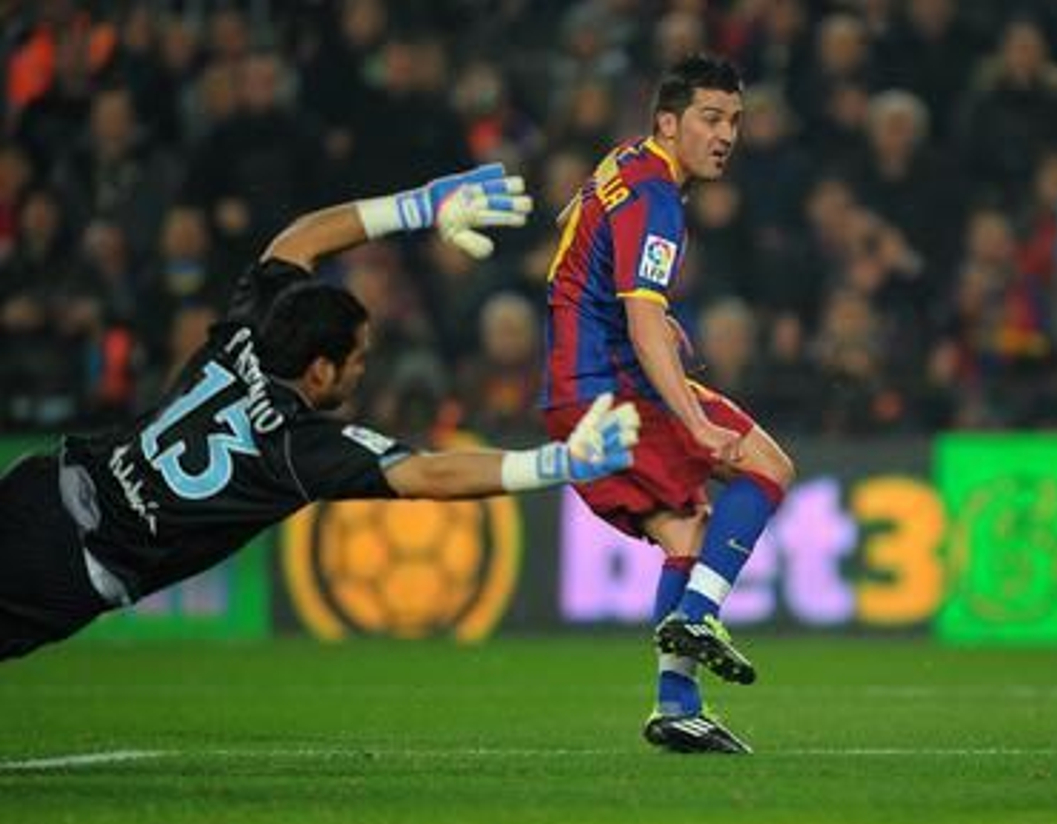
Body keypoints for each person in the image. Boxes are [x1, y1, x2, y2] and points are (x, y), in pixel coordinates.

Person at [1, 163, 641, 662]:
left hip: (42, 483)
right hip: (75, 564)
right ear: (319, 371)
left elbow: (298, 239)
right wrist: (560, 462)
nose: (363, 370)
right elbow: (428, 475)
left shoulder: (242, 337)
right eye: (356, 360)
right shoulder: (298, 447)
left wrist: (420, 205)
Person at [542, 55, 796, 754]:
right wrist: (693, 420)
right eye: (711, 119)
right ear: (668, 122)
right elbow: (643, 319)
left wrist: (618, 308)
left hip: (574, 386)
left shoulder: (625, 160)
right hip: (613, 387)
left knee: (685, 533)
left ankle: (676, 706)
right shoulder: (658, 200)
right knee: (768, 467)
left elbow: (574, 224)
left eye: (735, 122)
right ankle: (699, 614)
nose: (726, 135)